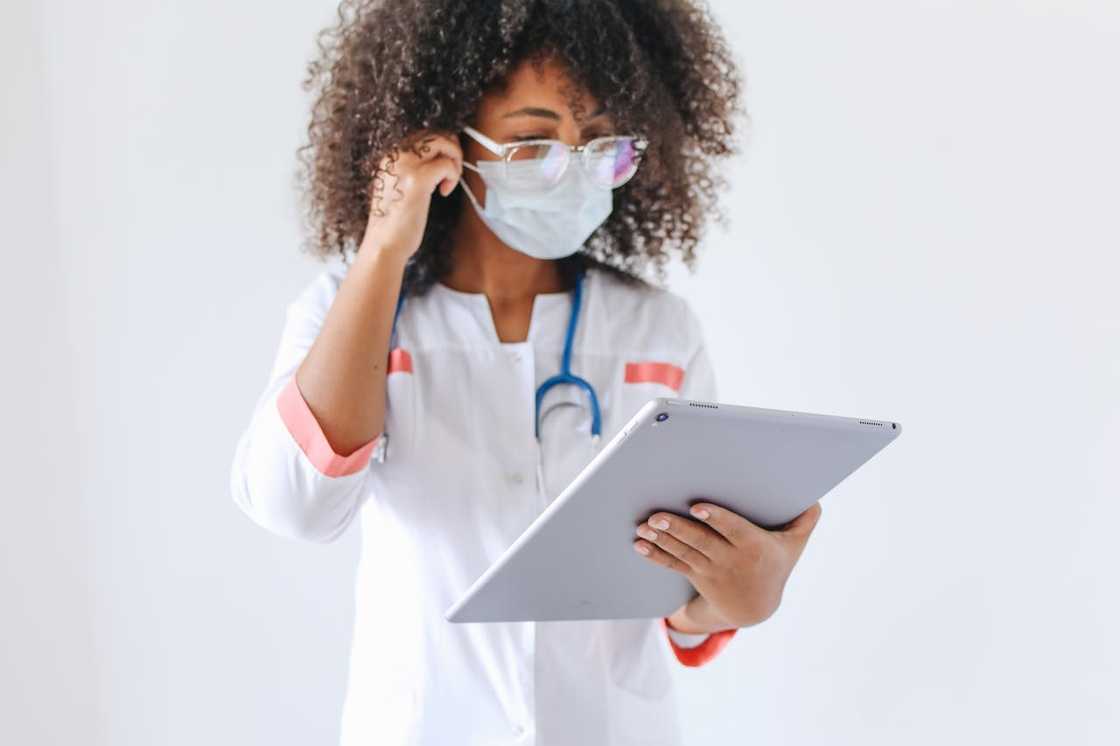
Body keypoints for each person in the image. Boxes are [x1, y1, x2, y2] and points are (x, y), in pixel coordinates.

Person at [230, 1, 822, 743]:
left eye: (598, 141)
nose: (573, 170)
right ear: (446, 142)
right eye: (534, 141)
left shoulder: (657, 331)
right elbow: (296, 505)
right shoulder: (352, 309)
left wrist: (740, 594)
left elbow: (677, 593)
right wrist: (385, 247)